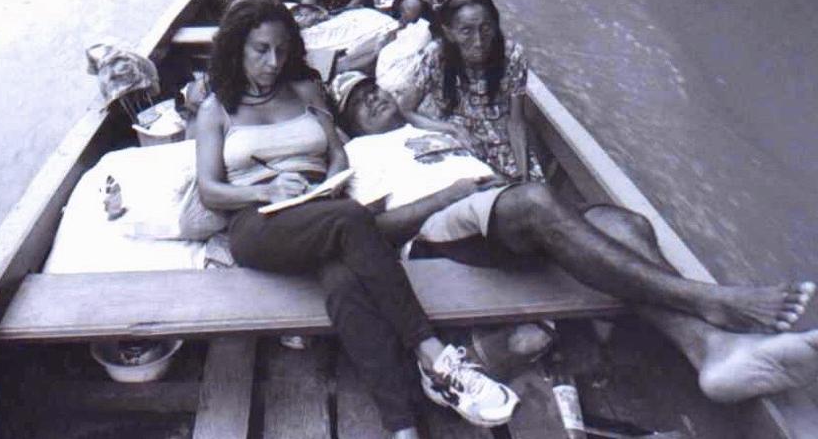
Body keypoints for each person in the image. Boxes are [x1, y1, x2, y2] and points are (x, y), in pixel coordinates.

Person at [333, 70, 818, 405]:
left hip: (498, 217)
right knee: (535, 202)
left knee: (628, 227)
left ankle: (711, 351)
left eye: (373, 89)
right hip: (442, 233)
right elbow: (371, 229)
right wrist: (450, 195)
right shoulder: (359, 155)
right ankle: (710, 300)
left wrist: (426, 126)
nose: (372, 98)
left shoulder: (433, 130)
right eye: (358, 102)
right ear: (349, 123)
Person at [195, 0, 519, 437]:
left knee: (344, 284)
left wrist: (325, 181)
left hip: (319, 209)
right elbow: (209, 190)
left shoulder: (306, 91)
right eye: (261, 50)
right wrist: (265, 187)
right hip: (259, 223)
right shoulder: (217, 109)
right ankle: (435, 355)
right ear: (237, 49)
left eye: (282, 49)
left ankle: (402, 427)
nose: (273, 61)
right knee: (351, 219)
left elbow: (337, 153)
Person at [399, 0, 542, 182]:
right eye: (466, 31)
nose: (478, 41)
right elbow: (405, 109)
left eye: (485, 29)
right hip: (454, 136)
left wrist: (524, 175)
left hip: (499, 137)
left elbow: (515, 120)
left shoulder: (512, 55)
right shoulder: (435, 56)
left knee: (530, 190)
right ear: (449, 33)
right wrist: (452, 129)